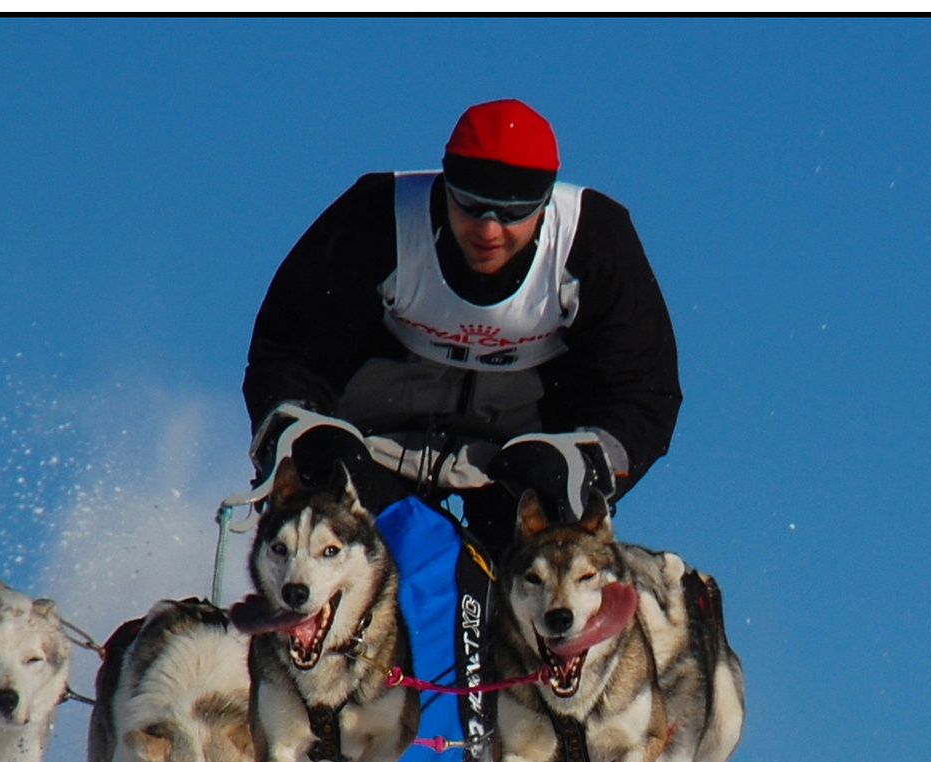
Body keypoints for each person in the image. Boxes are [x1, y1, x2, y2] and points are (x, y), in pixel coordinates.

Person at [243, 98, 680, 535]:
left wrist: (587, 461)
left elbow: (644, 389)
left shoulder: (592, 242)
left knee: (545, 561)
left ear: (544, 205)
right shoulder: (378, 221)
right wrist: (302, 432)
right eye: (470, 205)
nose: (488, 230)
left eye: (513, 213)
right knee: (345, 546)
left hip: (523, 461)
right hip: (372, 447)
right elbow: (287, 350)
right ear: (444, 186)